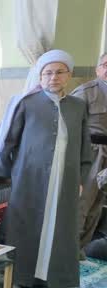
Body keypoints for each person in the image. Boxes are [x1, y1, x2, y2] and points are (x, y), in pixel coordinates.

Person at [0, 49, 93, 288]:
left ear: (69, 75)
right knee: (24, 223)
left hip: (65, 178)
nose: (53, 77)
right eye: (48, 73)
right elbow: (6, 139)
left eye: (59, 72)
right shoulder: (26, 103)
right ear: (40, 76)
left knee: (62, 225)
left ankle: (55, 278)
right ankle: (19, 277)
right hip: (29, 177)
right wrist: (5, 173)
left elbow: (84, 146)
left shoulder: (78, 106)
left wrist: (80, 178)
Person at [72, 52, 107, 253]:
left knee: (97, 207)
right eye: (105, 64)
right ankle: (69, 250)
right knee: (82, 204)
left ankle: (81, 250)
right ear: (97, 69)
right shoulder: (85, 92)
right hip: (91, 154)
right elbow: (70, 128)